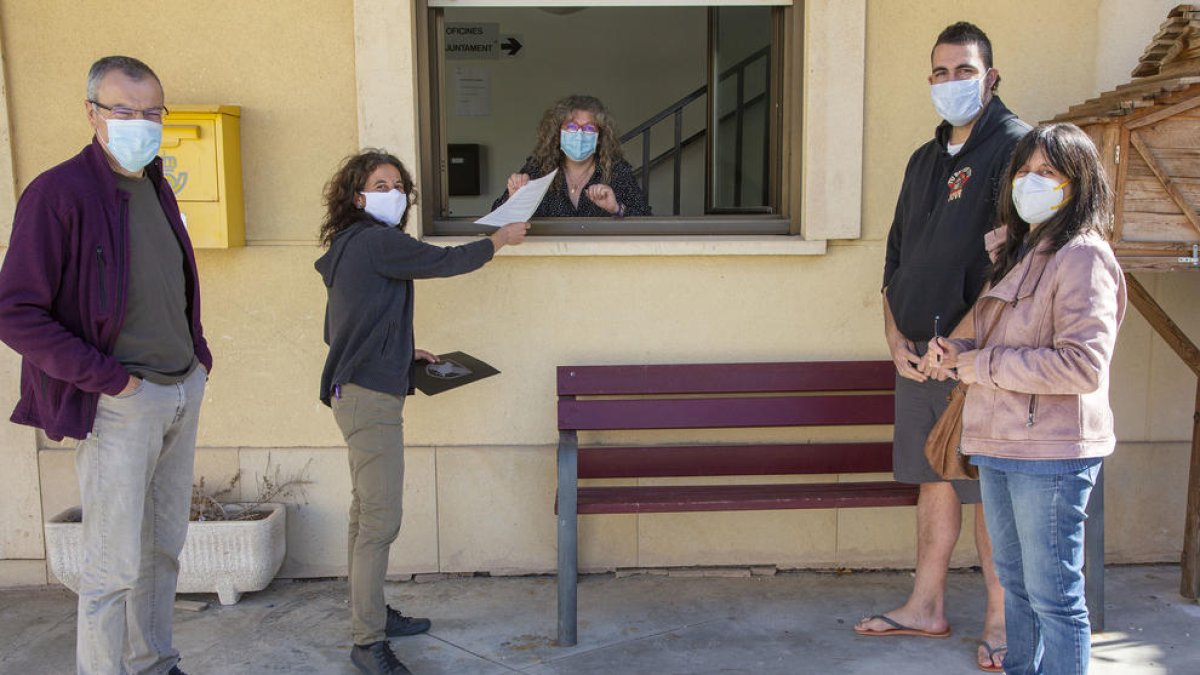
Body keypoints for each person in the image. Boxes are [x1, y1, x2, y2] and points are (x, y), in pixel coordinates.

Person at [0, 56, 211, 675]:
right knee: (113, 565)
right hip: (120, 401)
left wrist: (197, 355)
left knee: (162, 551)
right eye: (124, 110)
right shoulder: (58, 193)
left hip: (179, 387)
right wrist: (112, 380)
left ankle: (155, 662)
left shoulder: (154, 183)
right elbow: (15, 312)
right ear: (92, 112)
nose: (140, 123)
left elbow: (169, 279)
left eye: (152, 112)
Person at [856, 22, 1029, 672]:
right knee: (934, 477)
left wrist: (960, 343)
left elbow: (1017, 268)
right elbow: (896, 254)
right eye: (941, 72)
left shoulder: (1016, 152)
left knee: (988, 489)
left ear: (992, 77)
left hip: (980, 360)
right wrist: (893, 332)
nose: (951, 83)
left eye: (965, 70)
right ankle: (925, 604)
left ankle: (1001, 620)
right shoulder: (925, 160)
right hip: (917, 358)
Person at [316, 149, 528, 675]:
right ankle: (367, 641)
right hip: (369, 399)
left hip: (358, 389)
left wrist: (400, 349)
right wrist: (499, 239)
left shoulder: (348, 247)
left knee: (364, 515)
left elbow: (343, 325)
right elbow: (445, 262)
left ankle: (372, 613)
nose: (393, 194)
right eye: (380, 184)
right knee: (379, 522)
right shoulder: (375, 241)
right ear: (356, 195)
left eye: (399, 186)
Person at [926, 123, 1125, 675]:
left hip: (1053, 451)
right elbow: (1003, 338)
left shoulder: (1084, 257)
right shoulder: (1021, 250)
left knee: (1055, 595)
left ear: (1077, 184)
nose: (1029, 182)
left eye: (1047, 172)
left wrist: (980, 365)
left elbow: (1083, 365)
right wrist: (958, 347)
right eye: (1023, 171)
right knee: (1014, 586)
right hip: (1000, 440)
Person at [493, 94, 650, 218]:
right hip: (550, 256)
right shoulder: (538, 169)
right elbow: (496, 216)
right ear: (557, 133)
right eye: (572, 127)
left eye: (589, 128)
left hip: (599, 256)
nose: (580, 134)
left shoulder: (617, 171)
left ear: (600, 136)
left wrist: (616, 208)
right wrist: (513, 199)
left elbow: (645, 218)